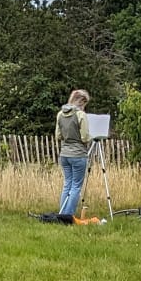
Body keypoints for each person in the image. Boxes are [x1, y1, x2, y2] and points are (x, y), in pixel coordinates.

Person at [55, 88, 92, 217]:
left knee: (67, 184)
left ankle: (62, 212)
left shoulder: (60, 114)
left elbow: (58, 136)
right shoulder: (80, 115)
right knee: (76, 186)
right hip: (78, 154)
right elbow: (85, 137)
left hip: (64, 154)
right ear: (81, 102)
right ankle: (68, 215)